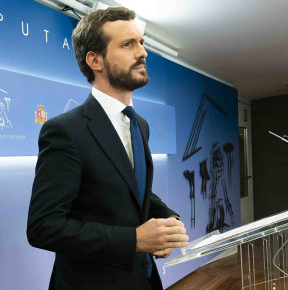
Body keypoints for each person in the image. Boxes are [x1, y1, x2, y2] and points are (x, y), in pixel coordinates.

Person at [27, 7, 189, 290]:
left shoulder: (140, 124)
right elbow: (44, 227)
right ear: (95, 60)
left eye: (141, 42)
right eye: (128, 44)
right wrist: (134, 240)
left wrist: (168, 219)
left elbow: (136, 191)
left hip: (143, 279)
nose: (142, 53)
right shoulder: (65, 130)